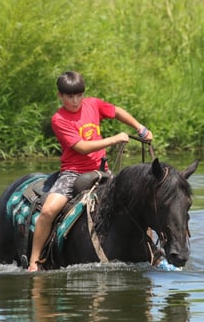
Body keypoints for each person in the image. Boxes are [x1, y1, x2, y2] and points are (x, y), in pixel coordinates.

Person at [27, 70, 153, 272]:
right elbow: (81, 147)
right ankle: (34, 261)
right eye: (70, 96)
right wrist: (114, 139)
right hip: (73, 173)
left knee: (136, 202)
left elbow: (117, 111)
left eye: (79, 95)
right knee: (49, 210)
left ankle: (151, 252)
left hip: (102, 170)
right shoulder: (59, 119)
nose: (75, 101)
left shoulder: (93, 104)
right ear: (60, 96)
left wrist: (140, 127)